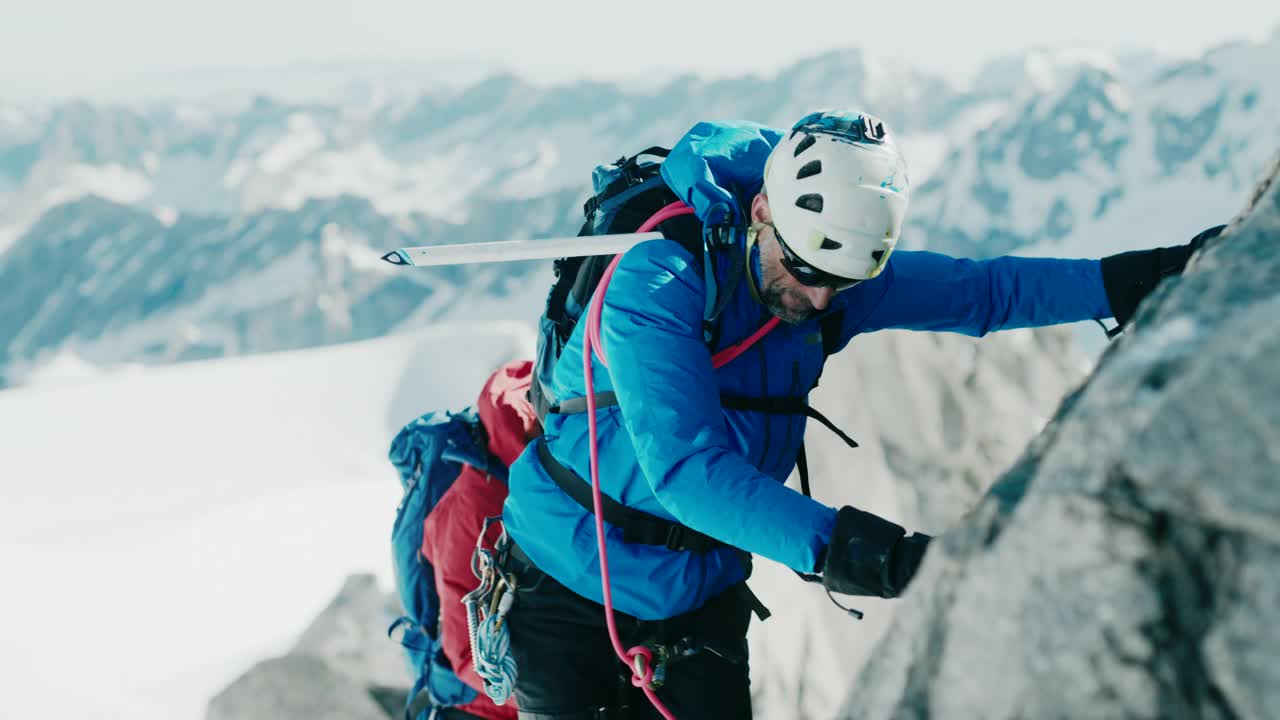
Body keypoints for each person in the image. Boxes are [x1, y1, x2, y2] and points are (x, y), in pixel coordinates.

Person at [499, 109, 1222, 719]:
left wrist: (1147, 275)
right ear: (761, 215)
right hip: (564, 587)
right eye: (808, 274)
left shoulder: (823, 268)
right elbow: (688, 473)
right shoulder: (654, 281)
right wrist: (878, 556)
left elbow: (983, 293)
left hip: (697, 588)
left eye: (843, 283)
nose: (819, 301)